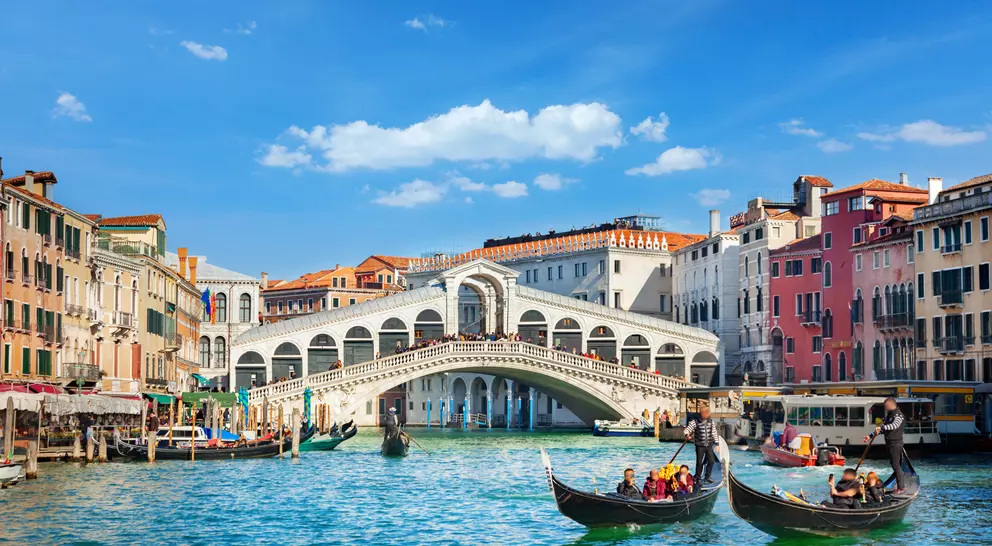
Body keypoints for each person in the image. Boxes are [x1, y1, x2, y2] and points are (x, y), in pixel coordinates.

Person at [864, 397, 906, 493]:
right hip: (890, 443)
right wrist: (869, 436)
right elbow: (882, 429)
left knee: (896, 465)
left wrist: (882, 426)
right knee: (894, 465)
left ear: (891, 405)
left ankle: (901, 488)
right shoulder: (889, 415)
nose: (885, 408)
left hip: (895, 443)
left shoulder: (899, 415)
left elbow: (894, 426)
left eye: (886, 406)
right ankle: (899, 485)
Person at [683, 406, 720, 484]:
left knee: (712, 461)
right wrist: (687, 435)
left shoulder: (711, 422)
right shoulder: (694, 422)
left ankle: (707, 477)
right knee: (699, 462)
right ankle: (698, 478)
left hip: (709, 445)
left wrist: (717, 444)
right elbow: (686, 430)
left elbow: (714, 433)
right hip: (700, 445)